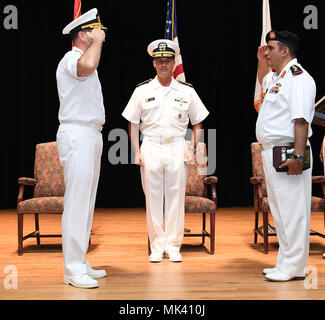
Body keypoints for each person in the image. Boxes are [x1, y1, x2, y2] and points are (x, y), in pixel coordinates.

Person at [122, 39, 209, 263]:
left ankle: (173, 245)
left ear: (173, 63)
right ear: (153, 63)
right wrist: (136, 151)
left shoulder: (186, 91)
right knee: (152, 199)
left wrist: (192, 147)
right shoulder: (142, 90)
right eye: (159, 61)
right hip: (150, 145)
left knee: (175, 198)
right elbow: (131, 123)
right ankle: (157, 245)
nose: (164, 65)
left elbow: (198, 122)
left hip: (178, 145)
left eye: (168, 61)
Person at [256, 30, 316, 281]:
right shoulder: (278, 77)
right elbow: (263, 85)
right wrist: (261, 61)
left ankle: (295, 267)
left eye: (271, 48)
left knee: (293, 212)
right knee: (280, 213)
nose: (267, 51)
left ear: (285, 51)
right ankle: (286, 263)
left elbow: (301, 120)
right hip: (272, 152)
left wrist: (299, 158)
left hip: (289, 152)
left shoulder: (298, 78)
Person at [56, 8, 107, 288]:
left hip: (89, 135)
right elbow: (88, 66)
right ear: (83, 34)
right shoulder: (72, 58)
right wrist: (97, 42)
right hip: (77, 134)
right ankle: (72, 269)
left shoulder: (82, 58)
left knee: (86, 204)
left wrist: (96, 44)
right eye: (95, 31)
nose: (101, 34)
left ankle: (80, 260)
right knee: (77, 203)